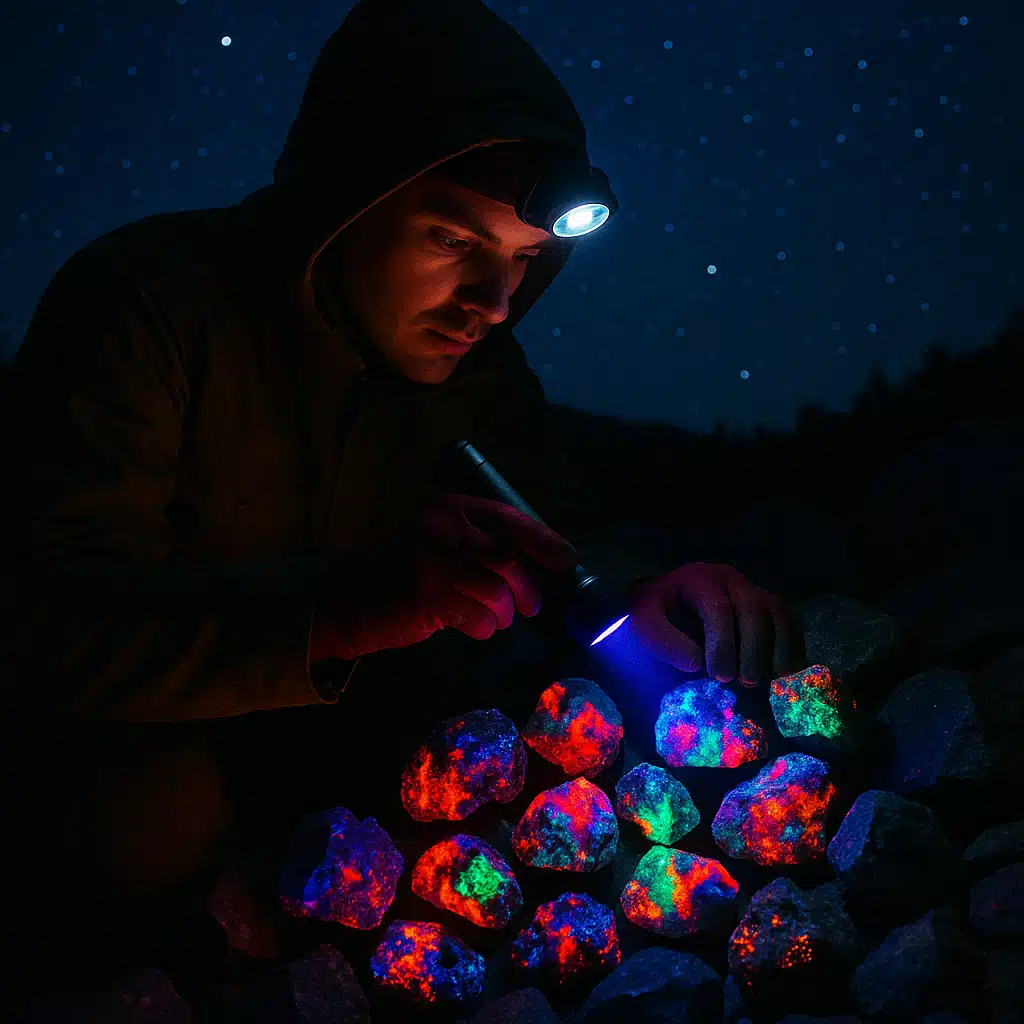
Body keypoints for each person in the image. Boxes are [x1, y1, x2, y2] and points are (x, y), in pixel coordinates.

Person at [0, 0, 805, 1007]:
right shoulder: (148, 308)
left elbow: (563, 531)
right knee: (140, 812)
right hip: (133, 765)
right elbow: (39, 621)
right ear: (340, 201)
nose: (492, 302)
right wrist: (342, 611)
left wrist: (650, 588)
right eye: (449, 238)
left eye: (521, 261)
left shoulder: (475, 371)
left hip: (346, 778)